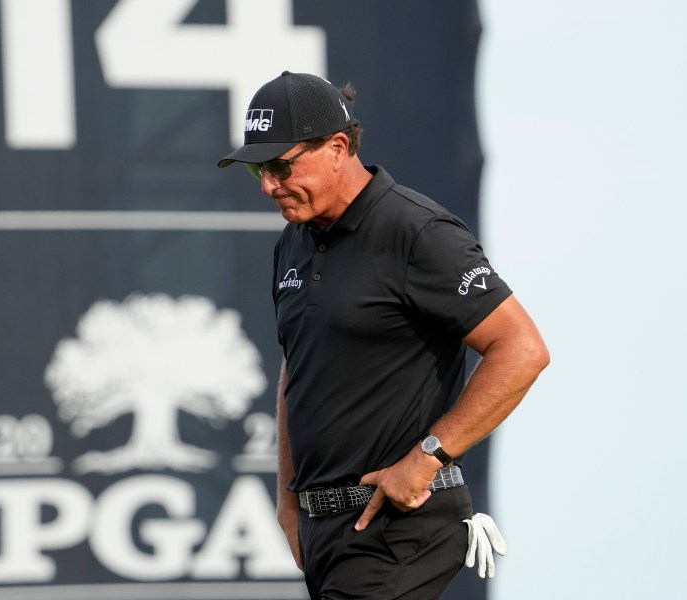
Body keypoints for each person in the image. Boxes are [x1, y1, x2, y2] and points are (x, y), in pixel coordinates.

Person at [218, 71, 550, 599]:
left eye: (282, 165)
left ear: (338, 147)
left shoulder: (417, 231)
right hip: (329, 531)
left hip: (399, 523)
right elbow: (298, 366)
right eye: (259, 167)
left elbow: (522, 349)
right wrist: (289, 500)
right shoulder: (294, 242)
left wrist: (426, 458)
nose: (268, 185)